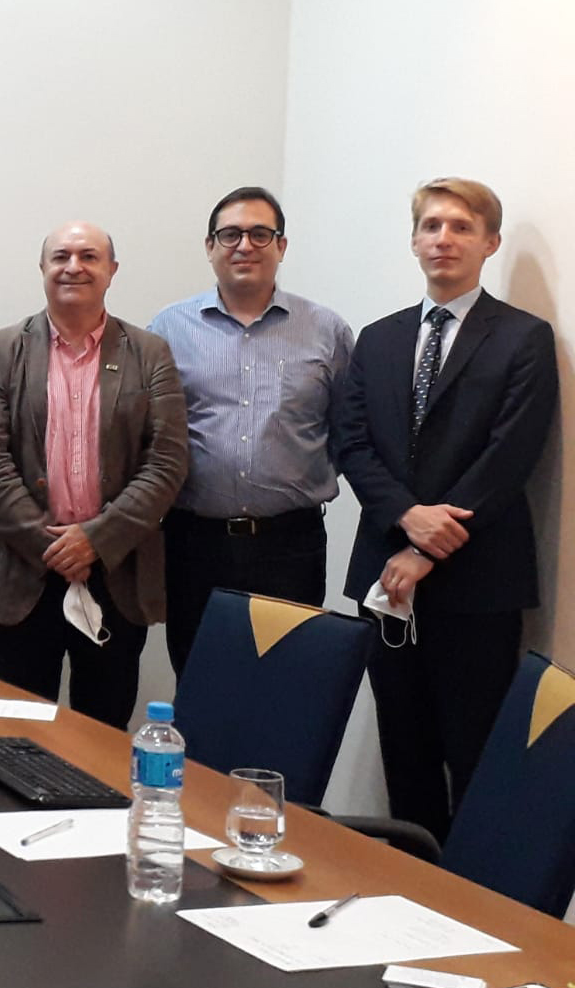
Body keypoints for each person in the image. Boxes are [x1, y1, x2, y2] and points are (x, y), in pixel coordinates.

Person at [334, 178, 557, 844]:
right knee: (404, 756)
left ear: (490, 242)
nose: (444, 239)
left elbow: (510, 456)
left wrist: (426, 546)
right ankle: (411, 885)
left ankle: (468, 895)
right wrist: (408, 520)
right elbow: (352, 443)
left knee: (477, 755)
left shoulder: (523, 338)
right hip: (386, 581)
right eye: (431, 226)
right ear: (413, 241)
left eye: (461, 227)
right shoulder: (378, 339)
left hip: (477, 585)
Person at [0, 221, 187, 729]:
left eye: (89, 256)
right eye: (61, 256)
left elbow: (167, 461)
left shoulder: (149, 353)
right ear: (42, 268)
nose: (74, 267)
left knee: (102, 735)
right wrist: (53, 546)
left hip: (115, 574)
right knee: (19, 734)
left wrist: (96, 539)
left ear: (112, 270)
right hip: (23, 572)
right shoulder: (1, 350)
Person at [147, 187, 353, 679]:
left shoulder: (326, 330)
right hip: (194, 542)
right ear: (210, 246)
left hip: (290, 543)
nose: (245, 245)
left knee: (285, 685)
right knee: (199, 681)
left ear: (281, 246)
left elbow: (349, 430)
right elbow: (150, 435)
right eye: (231, 234)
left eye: (261, 234)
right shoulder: (168, 329)